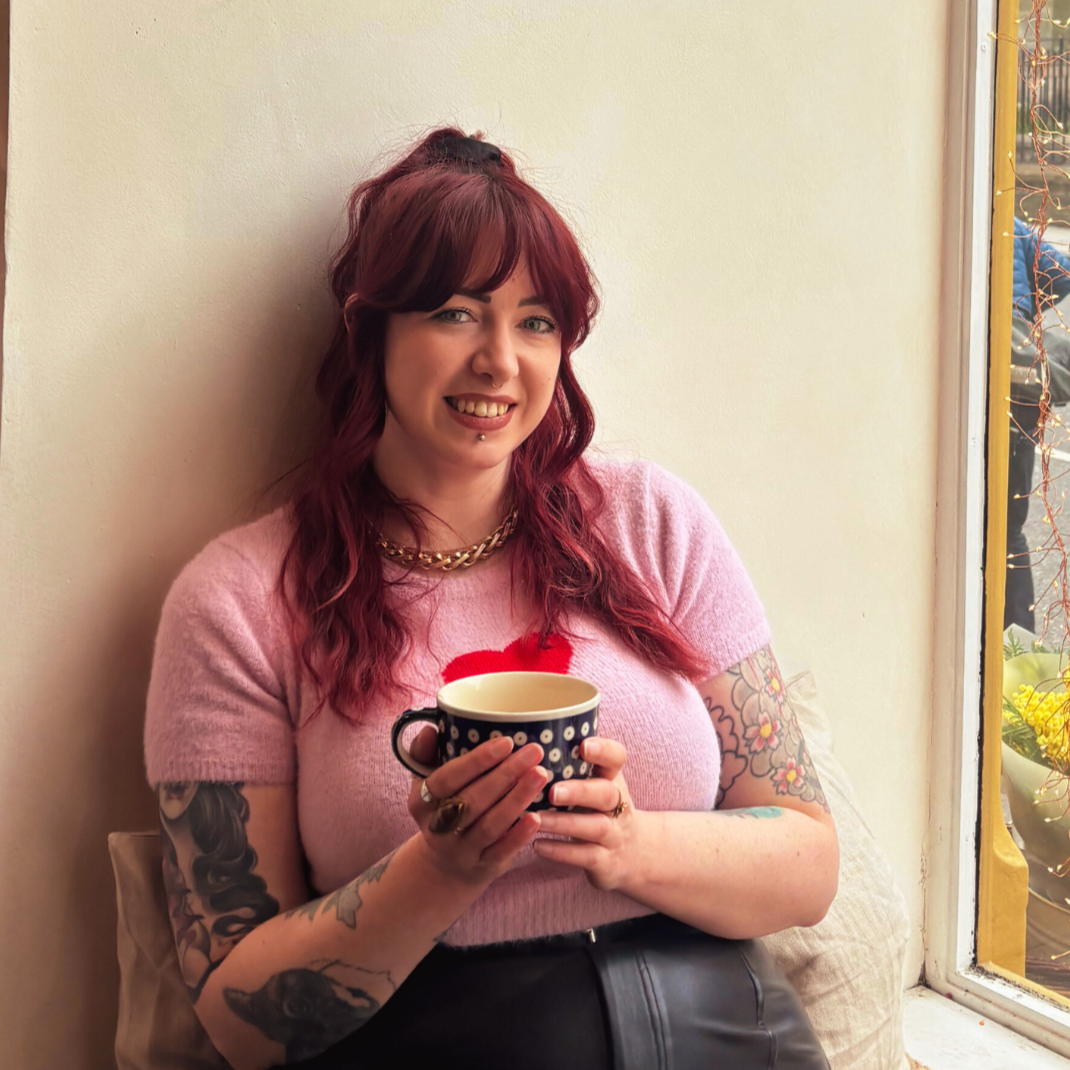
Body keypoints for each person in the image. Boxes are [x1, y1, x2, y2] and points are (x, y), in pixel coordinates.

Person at [144, 129, 838, 1070]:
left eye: (537, 320)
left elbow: (805, 859)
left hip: (724, 1033)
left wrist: (630, 844)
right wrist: (438, 870)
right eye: (457, 314)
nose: (500, 362)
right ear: (369, 328)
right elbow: (237, 1017)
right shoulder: (239, 602)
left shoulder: (651, 521)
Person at [1006, 217, 1070, 633]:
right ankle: (1016, 654)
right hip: (1022, 393)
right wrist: (1027, 317)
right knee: (1010, 531)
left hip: (1001, 375)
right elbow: (1061, 272)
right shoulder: (1015, 228)